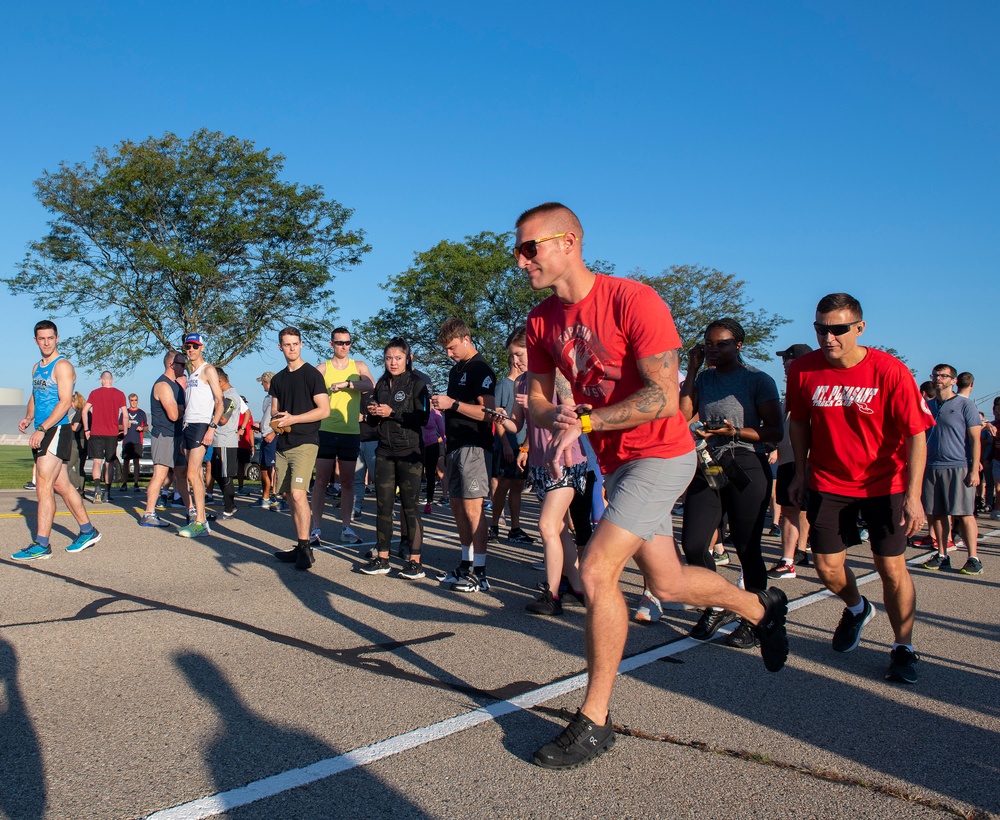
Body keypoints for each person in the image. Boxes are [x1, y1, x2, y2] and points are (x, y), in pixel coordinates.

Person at [517, 202, 788, 770]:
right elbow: (538, 399)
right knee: (667, 582)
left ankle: (595, 720)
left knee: (596, 571)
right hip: (617, 463)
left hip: (664, 454)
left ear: (568, 242)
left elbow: (664, 397)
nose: (521, 261)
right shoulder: (541, 321)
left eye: (529, 248)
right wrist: (555, 417)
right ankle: (761, 608)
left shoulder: (633, 300)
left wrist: (587, 420)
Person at [787, 292, 932, 684]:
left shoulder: (890, 371)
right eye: (821, 329)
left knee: (891, 568)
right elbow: (798, 421)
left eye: (838, 329)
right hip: (828, 481)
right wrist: (800, 472)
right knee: (826, 567)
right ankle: (856, 607)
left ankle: (903, 647)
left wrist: (914, 495)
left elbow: (917, 434)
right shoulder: (803, 369)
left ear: (860, 328)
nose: (828, 338)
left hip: (885, 483)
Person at [679, 319, 783, 648]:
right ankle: (716, 604)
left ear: (738, 345)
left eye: (721, 343)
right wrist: (692, 369)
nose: (713, 349)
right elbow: (683, 414)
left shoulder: (757, 379)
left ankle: (755, 618)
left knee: (747, 547)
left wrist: (735, 431)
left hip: (745, 462)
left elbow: (775, 430)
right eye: (708, 343)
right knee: (694, 543)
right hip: (710, 462)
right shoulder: (704, 378)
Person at [12, 320, 101, 560]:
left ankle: (42, 544)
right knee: (61, 484)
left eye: (50, 338)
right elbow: (36, 395)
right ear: (35, 340)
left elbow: (64, 402)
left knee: (43, 484)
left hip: (56, 429)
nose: (46, 342)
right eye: (42, 338)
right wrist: (29, 417)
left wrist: (42, 428)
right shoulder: (37, 367)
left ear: (57, 338)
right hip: (44, 428)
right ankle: (88, 531)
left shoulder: (62, 366)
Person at [430, 318, 498, 593]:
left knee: (473, 509)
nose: (449, 353)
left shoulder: (480, 368)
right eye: (446, 349)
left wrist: (453, 404)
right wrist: (445, 406)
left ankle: (480, 573)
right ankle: (465, 564)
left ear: (466, 339)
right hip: (455, 445)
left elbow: (489, 413)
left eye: (452, 347)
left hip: (475, 446)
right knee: (457, 508)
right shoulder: (455, 370)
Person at [359, 337, 430, 578]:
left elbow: (422, 417)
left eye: (398, 358)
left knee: (410, 507)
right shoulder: (380, 384)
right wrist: (372, 412)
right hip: (384, 451)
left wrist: (393, 412)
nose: (393, 362)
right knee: (383, 506)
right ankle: (383, 558)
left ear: (407, 359)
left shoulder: (418, 383)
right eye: (388, 358)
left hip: (410, 452)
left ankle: (415, 561)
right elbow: (373, 422)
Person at [269, 327, 330, 570]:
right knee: (288, 495)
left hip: (306, 441)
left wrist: (293, 419)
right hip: (284, 443)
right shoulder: (278, 379)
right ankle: (300, 544)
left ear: (301, 344)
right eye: (287, 344)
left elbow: (324, 410)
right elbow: (275, 409)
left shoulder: (312, 374)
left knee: (297, 493)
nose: (292, 348)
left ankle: (306, 549)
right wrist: (278, 418)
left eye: (295, 343)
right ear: (280, 347)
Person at [309, 327, 374, 546]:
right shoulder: (322, 369)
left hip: (350, 431)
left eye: (347, 342)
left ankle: (346, 527)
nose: (344, 346)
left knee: (347, 482)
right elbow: (308, 392)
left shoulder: (359, 366)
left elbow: (370, 385)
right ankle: (316, 528)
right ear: (332, 344)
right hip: (326, 430)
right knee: (321, 481)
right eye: (339, 343)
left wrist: (348, 384)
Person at [919, 364, 983, 575]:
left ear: (954, 381)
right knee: (936, 513)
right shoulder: (927, 406)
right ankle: (942, 554)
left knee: (964, 513)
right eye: (935, 375)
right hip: (932, 466)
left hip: (958, 465)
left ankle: (973, 558)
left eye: (944, 376)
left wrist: (974, 469)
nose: (938, 379)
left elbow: (975, 439)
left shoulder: (965, 405)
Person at [766, 343, 814, 579]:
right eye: (784, 360)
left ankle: (805, 550)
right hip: (786, 459)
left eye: (789, 359)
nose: (784, 364)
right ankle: (788, 560)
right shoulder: (790, 390)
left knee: (807, 510)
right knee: (789, 510)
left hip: (807, 460)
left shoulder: (814, 388)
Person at [489, 327, 534, 545]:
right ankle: (495, 525)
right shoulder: (504, 385)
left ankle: (515, 528)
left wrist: (525, 446)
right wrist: (506, 444)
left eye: (519, 355)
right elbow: (501, 417)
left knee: (517, 487)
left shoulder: (534, 380)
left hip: (525, 445)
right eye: (513, 356)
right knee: (503, 486)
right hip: (508, 446)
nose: (516, 361)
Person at [177, 333, 224, 538]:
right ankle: (200, 521)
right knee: (193, 474)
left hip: (201, 425)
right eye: (188, 347)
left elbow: (220, 401)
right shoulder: (191, 374)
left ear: (202, 347)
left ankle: (200, 521)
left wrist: (212, 427)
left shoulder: (208, 370)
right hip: (188, 425)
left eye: (195, 346)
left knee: (192, 473)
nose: (191, 350)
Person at [140, 351, 188, 527]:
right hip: (164, 436)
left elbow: (181, 409)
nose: (185, 368)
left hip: (177, 436)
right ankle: (149, 513)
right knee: (160, 475)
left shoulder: (177, 386)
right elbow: (174, 415)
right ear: (171, 365)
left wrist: (181, 408)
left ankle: (191, 510)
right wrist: (182, 409)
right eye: (182, 364)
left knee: (182, 473)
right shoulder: (163, 385)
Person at [83, 371, 127, 503]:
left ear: (101, 380)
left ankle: (97, 489)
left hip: (96, 432)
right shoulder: (119, 394)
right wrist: (125, 431)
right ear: (112, 380)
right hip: (112, 433)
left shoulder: (94, 393)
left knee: (97, 462)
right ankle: (107, 492)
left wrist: (86, 429)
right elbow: (125, 415)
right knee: (109, 463)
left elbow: (84, 411)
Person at [211, 368, 242, 520]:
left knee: (226, 475)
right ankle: (230, 503)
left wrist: (213, 408)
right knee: (215, 473)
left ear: (219, 381)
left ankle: (229, 509)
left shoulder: (230, 396)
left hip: (226, 440)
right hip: (218, 440)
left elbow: (223, 419)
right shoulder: (224, 396)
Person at [255, 372, 278, 509]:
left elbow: (280, 417)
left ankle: (275, 495)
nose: (262, 385)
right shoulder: (267, 398)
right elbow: (267, 417)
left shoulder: (278, 397)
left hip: (273, 436)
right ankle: (265, 497)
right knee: (263, 467)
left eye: (262, 383)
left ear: (267, 382)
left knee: (274, 467)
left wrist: (274, 433)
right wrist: (260, 427)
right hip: (264, 435)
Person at [120, 393, 147, 492]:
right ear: (129, 401)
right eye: (132, 400)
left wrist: (142, 428)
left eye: (135, 400)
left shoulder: (141, 413)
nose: (134, 402)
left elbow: (146, 427)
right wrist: (125, 426)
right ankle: (124, 483)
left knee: (136, 462)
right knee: (126, 462)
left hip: (137, 440)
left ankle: (136, 483)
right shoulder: (125, 412)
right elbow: (119, 426)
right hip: (127, 440)